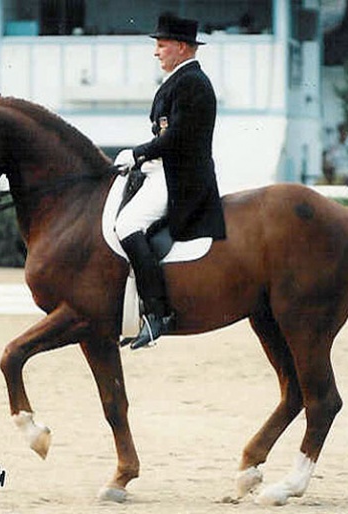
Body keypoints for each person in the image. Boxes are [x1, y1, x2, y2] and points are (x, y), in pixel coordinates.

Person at [114, 13, 226, 350]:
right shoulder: (179, 81)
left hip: (181, 178)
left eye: (161, 45)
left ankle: (158, 314)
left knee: (127, 224)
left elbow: (176, 138)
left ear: (180, 47)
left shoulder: (192, 83)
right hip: (164, 169)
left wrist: (139, 153)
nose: (156, 52)